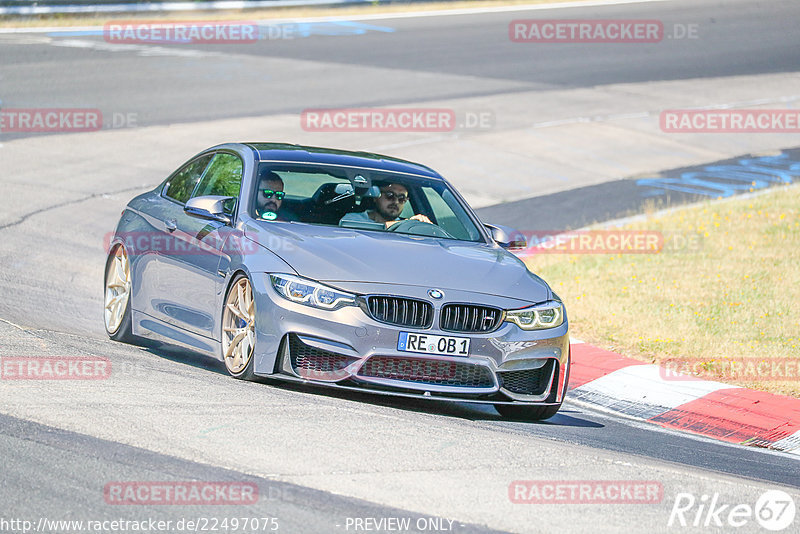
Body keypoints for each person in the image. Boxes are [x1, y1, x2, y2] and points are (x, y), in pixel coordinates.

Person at [341, 182, 431, 228]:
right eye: (390, 195)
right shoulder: (352, 219)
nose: (396, 202)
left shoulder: (408, 227)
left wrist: (422, 225)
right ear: (376, 197)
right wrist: (407, 224)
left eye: (401, 198)